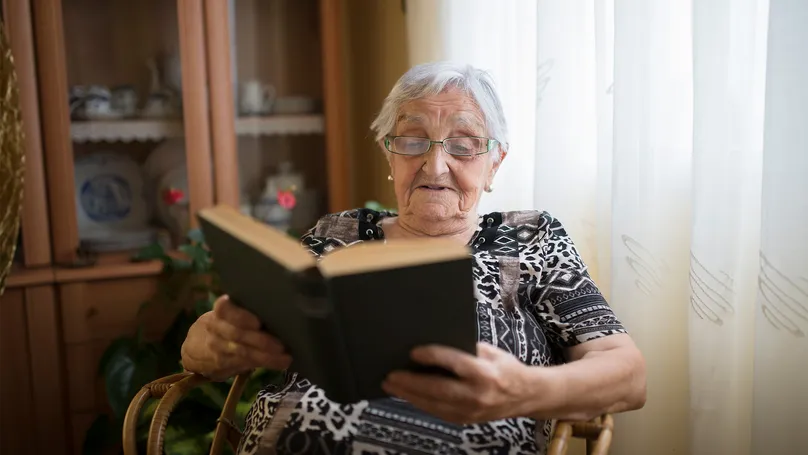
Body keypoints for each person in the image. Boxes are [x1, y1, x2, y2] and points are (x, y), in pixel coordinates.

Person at [181, 61, 646, 455]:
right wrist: (217, 339)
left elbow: (627, 374)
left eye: (463, 145)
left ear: (495, 163)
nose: (435, 165)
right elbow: (201, 348)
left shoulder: (529, 237)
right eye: (412, 140)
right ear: (389, 155)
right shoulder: (335, 234)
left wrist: (523, 391)